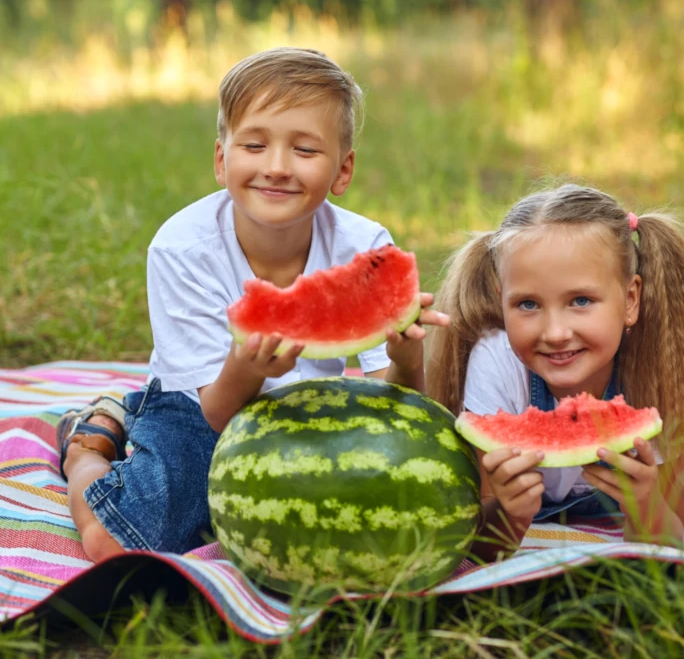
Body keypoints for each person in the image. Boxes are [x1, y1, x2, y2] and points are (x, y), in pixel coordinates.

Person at [56, 47, 448, 562]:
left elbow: (397, 408)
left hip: (311, 414)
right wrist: (246, 366)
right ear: (222, 160)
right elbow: (218, 411)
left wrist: (405, 359)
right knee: (115, 544)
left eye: (306, 151)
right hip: (197, 405)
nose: (278, 167)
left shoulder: (368, 248)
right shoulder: (181, 248)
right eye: (255, 145)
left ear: (342, 170)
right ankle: (88, 443)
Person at [427, 184, 684, 558]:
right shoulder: (497, 363)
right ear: (500, 298)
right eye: (527, 304)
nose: (555, 333)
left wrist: (645, 506)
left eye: (580, 301)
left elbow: (670, 545)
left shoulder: (658, 368)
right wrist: (509, 515)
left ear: (631, 300)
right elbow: (478, 552)